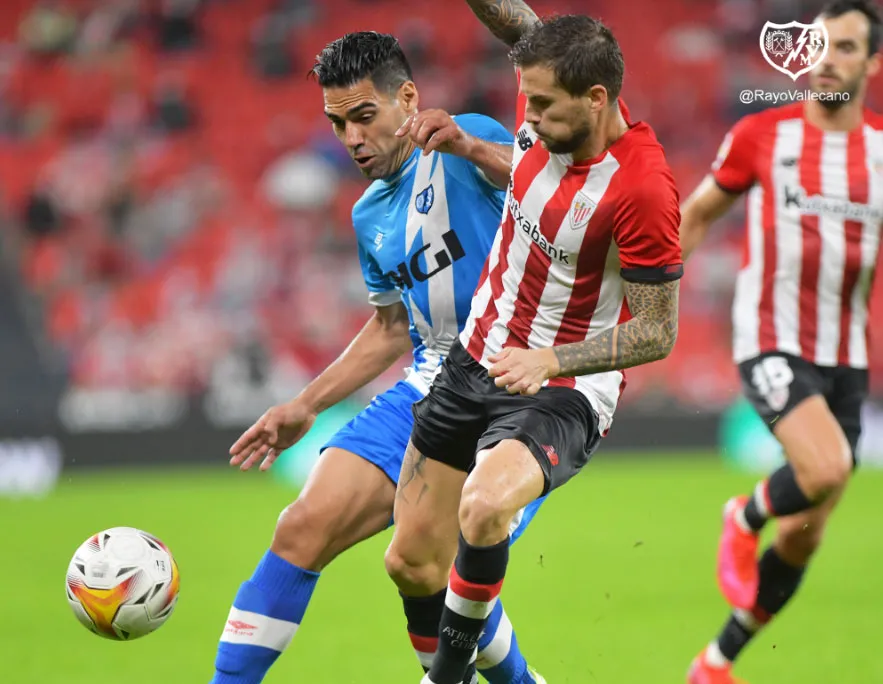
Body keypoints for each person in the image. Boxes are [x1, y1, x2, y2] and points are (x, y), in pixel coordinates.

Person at [209, 31, 547, 684]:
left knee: (424, 562)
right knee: (301, 526)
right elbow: (392, 327)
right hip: (428, 384)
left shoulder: (463, 142)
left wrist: (472, 146)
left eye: (364, 116)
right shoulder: (369, 215)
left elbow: (547, 184)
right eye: (338, 124)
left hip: (514, 387)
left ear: (408, 99)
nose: (352, 138)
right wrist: (305, 404)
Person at [384, 7, 685, 684]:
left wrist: (550, 360)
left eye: (544, 106)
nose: (531, 116)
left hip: (560, 387)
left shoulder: (641, 188)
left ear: (597, 98)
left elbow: (657, 330)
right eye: (529, 99)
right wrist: (467, 146)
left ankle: (445, 680)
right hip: (476, 356)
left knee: (486, 506)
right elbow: (516, 23)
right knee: (410, 562)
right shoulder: (552, 92)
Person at [678, 2, 882, 682]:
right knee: (824, 470)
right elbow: (696, 215)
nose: (826, 59)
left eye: (845, 47)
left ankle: (715, 662)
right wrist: (649, 300)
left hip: (846, 355)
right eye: (817, 45)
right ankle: (743, 514)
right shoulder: (762, 134)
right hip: (770, 338)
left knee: (805, 532)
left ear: (871, 62)